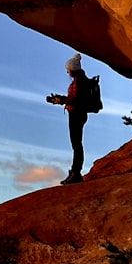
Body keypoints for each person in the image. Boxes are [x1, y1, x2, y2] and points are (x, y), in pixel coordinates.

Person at [46, 53, 88, 185]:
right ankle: (75, 172)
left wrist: (60, 100)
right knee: (77, 143)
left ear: (73, 69)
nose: (67, 72)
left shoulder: (78, 82)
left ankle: (76, 173)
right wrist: (60, 99)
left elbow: (75, 99)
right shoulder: (81, 80)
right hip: (78, 113)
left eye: (68, 69)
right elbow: (75, 97)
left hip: (76, 114)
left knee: (76, 144)